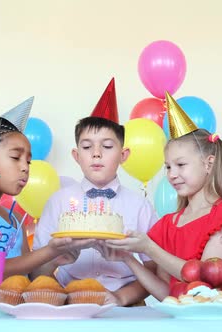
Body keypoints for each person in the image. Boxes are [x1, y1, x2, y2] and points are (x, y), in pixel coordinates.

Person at [101, 93, 222, 300]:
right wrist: (128, 259)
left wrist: (148, 247)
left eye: (181, 165)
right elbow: (167, 295)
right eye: (168, 167)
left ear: (208, 163)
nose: (172, 174)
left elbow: (208, 280)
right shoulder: (168, 225)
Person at [31, 78, 158, 306]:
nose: (96, 154)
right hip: (70, 303)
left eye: (107, 146)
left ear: (124, 155)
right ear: (76, 155)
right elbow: (36, 269)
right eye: (87, 147)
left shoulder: (140, 206)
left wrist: (122, 298)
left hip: (128, 305)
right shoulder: (58, 202)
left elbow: (154, 267)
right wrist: (55, 259)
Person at [0, 97, 92, 278]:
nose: (25, 167)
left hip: (13, 306)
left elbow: (29, 276)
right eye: (15, 158)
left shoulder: (14, 217)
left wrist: (55, 258)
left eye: (28, 161)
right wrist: (49, 251)